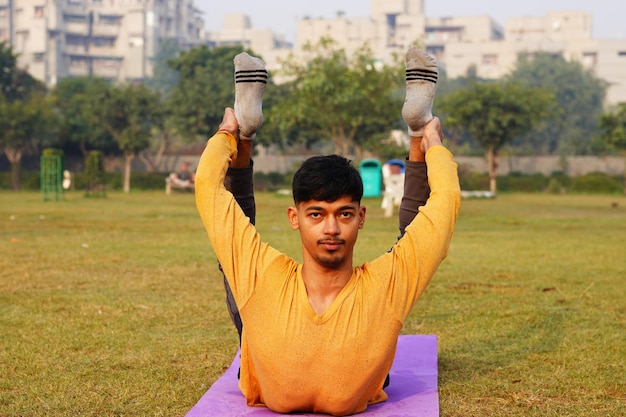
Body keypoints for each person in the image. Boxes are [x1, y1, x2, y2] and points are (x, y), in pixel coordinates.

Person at [195, 49, 460, 416]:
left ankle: (246, 127)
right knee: (235, 255)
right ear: (295, 217)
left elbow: (208, 186)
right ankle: (417, 127)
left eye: (344, 214)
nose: (332, 228)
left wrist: (227, 134)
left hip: (296, 311)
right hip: (270, 311)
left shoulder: (382, 290)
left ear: (361, 217)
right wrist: (434, 146)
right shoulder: (265, 280)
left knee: (237, 254)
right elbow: (445, 201)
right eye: (317, 214)